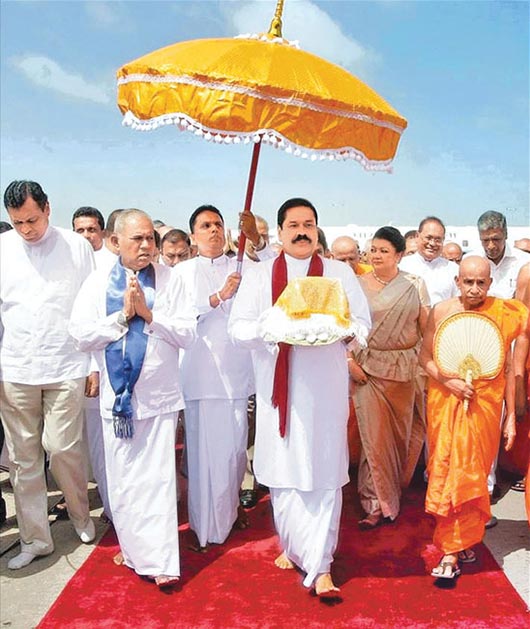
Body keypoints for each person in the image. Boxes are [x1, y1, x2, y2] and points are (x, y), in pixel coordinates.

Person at [228, 197, 371, 597]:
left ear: (317, 229)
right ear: (280, 232)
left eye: (309, 223)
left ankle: (321, 565)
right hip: (280, 396)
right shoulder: (259, 277)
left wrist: (347, 333)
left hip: (325, 394)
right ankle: (294, 546)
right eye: (294, 224)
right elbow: (237, 330)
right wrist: (272, 327)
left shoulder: (339, 272)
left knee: (324, 474)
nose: (302, 230)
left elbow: (362, 324)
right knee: (284, 475)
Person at [69, 209, 197, 588]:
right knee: (124, 480)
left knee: (157, 480)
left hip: (158, 397)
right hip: (118, 401)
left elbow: (188, 334)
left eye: (150, 239)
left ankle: (161, 563)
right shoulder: (96, 284)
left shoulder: (171, 280)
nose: (146, 246)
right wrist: (121, 318)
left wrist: (149, 314)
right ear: (115, 242)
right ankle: (133, 549)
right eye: (136, 239)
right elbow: (79, 335)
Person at [0, 180, 96, 570]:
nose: (27, 230)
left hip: (66, 366)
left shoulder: (76, 247)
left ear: (48, 209)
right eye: (18, 222)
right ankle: (35, 538)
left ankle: (80, 516)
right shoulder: (3, 249)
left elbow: (92, 308)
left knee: (62, 450)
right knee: (23, 461)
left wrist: (92, 364)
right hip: (15, 369)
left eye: (33, 220)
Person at [419, 256, 528, 580]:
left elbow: (508, 369)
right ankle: (452, 550)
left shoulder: (503, 313)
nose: (475, 288)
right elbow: (424, 356)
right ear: (457, 281)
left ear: (491, 284)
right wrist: (447, 380)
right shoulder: (441, 311)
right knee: (448, 472)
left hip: (485, 406)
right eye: (468, 282)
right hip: (446, 400)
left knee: (472, 475)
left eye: (481, 282)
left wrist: (509, 419)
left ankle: (460, 544)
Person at [174, 205, 263, 552]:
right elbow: (176, 315)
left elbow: (272, 268)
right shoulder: (181, 272)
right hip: (198, 374)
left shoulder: (243, 267)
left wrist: (254, 236)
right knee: (199, 457)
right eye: (205, 225)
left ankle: (228, 513)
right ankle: (203, 526)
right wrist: (217, 297)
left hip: (236, 374)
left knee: (233, 454)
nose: (213, 230)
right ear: (193, 234)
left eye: (218, 225)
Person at [349, 227, 430, 529]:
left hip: (405, 370)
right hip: (367, 368)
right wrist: (348, 362)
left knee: (400, 437)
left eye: (384, 250)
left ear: (399, 254)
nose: (377, 255)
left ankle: (392, 495)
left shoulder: (414, 284)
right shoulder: (356, 285)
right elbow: (345, 328)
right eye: (373, 249)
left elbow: (426, 329)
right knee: (374, 437)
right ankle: (373, 503)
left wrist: (427, 367)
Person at [466, 210, 529, 299]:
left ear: (506, 235)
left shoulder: (524, 262)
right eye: (485, 240)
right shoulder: (469, 261)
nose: (491, 246)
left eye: (496, 239)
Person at [400, 217, 459, 305]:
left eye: (438, 239)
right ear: (417, 236)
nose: (432, 243)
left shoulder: (453, 269)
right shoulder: (401, 266)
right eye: (428, 238)